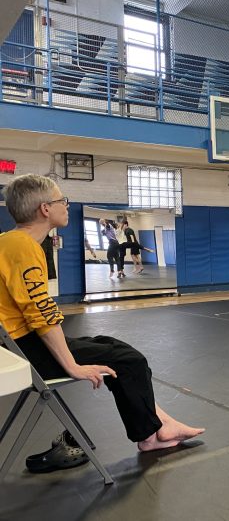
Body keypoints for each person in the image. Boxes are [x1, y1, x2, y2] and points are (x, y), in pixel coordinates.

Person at [0, 174, 204, 471]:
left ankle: (162, 423)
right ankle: (151, 435)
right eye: (62, 200)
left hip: (16, 346)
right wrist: (72, 365)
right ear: (45, 209)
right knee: (129, 360)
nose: (66, 206)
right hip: (26, 352)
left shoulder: (8, 241)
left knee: (111, 346)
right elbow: (41, 313)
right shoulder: (24, 247)